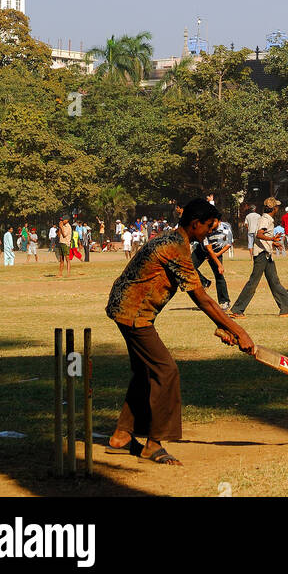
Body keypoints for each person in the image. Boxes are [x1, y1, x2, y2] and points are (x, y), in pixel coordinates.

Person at [105, 197, 255, 465]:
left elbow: (199, 289)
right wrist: (238, 330)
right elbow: (203, 299)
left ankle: (121, 437)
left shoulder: (174, 242)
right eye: (209, 226)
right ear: (195, 224)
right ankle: (154, 444)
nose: (212, 230)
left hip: (124, 308)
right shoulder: (174, 248)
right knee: (166, 371)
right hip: (134, 313)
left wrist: (224, 326)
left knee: (144, 371)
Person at [231, 197, 288, 318]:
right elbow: (259, 234)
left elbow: (263, 236)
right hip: (261, 255)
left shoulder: (267, 219)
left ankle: (286, 308)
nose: (278, 208)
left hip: (267, 254)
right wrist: (272, 239)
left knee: (274, 281)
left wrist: (273, 243)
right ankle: (237, 310)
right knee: (253, 282)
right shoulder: (265, 219)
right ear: (273, 208)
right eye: (277, 206)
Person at [192, 219, 232, 310]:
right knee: (189, 266)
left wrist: (218, 255)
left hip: (217, 250)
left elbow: (228, 244)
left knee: (219, 275)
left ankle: (225, 301)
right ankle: (204, 282)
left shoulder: (226, 228)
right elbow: (208, 248)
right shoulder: (206, 227)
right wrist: (219, 264)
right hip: (203, 249)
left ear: (218, 221)